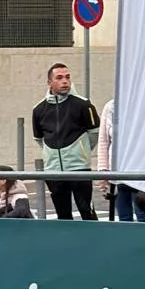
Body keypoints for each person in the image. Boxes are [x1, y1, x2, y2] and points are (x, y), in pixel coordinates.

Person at [32, 64, 99, 220]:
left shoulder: (84, 105)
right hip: (53, 170)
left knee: (86, 211)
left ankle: (94, 236)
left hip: (79, 168)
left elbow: (95, 133)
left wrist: (81, 152)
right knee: (63, 215)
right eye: (59, 78)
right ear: (49, 82)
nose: (65, 81)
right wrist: (53, 155)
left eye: (67, 77)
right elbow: (39, 138)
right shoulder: (38, 109)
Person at [97, 98, 145, 223]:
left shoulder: (144, 104)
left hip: (140, 171)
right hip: (117, 173)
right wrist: (103, 170)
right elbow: (103, 141)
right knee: (124, 218)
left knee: (143, 215)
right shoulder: (111, 107)